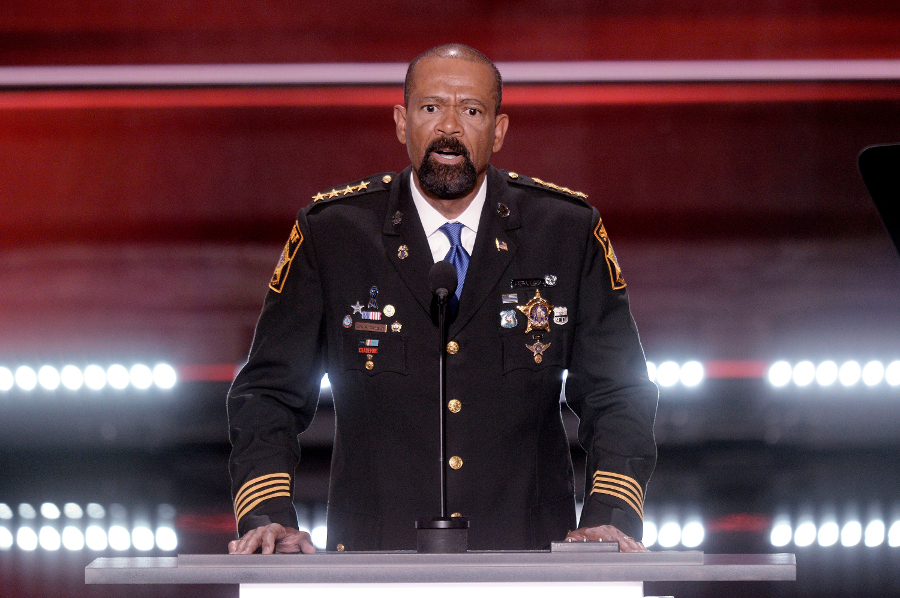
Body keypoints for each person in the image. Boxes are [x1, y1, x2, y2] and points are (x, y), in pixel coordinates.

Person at [227, 44, 657, 556]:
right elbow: (269, 392)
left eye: (470, 111)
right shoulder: (332, 234)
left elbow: (619, 392)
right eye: (431, 108)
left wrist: (608, 517)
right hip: (372, 559)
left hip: (529, 558)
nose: (449, 128)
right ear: (401, 121)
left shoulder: (566, 231)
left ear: (497, 130)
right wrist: (269, 516)